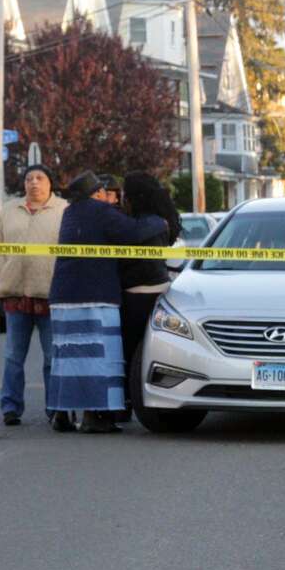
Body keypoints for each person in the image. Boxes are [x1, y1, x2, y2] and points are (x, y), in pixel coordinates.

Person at [47, 172, 168, 434]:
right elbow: (134, 233)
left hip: (63, 297)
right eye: (104, 191)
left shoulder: (70, 213)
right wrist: (161, 220)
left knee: (67, 358)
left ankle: (61, 413)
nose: (109, 196)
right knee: (98, 358)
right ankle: (95, 417)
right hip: (94, 296)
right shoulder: (100, 211)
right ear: (98, 193)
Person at [0, 165, 68, 427]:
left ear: (50, 184)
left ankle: (54, 409)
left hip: (49, 295)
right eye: (28, 179)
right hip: (15, 294)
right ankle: (10, 408)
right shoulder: (9, 210)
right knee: (13, 356)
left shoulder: (63, 210)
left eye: (40, 178)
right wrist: (5, 272)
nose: (33, 183)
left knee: (52, 357)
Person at [118, 172, 182, 419]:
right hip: (161, 290)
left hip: (136, 294)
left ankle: (126, 403)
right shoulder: (163, 220)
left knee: (129, 353)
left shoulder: (139, 223)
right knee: (153, 351)